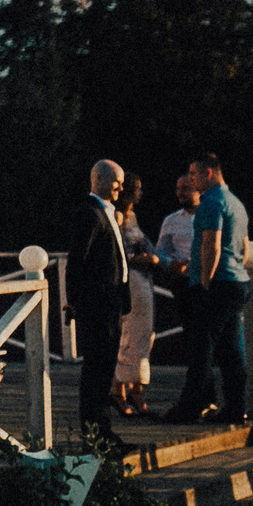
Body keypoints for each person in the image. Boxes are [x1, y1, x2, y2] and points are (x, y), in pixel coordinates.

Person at [164, 153, 253, 426]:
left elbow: (210, 245)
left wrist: (204, 283)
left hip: (218, 283)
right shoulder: (236, 203)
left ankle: (190, 407)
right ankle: (236, 407)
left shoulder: (211, 203)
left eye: (194, 174)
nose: (191, 179)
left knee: (201, 347)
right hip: (237, 280)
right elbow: (245, 247)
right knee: (228, 348)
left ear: (209, 174)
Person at [65, 159, 129, 435]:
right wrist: (75, 302)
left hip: (111, 304)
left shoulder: (107, 213)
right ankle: (95, 434)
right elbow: (76, 261)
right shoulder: (90, 214)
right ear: (99, 180)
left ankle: (103, 432)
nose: (121, 187)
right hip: (97, 305)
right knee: (97, 372)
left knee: (105, 371)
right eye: (117, 181)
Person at [115, 177, 157, 415]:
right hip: (130, 276)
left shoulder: (131, 217)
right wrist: (140, 259)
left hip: (142, 277)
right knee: (131, 331)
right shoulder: (118, 217)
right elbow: (117, 251)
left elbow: (143, 242)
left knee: (144, 331)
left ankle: (135, 385)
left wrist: (154, 256)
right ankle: (119, 387)